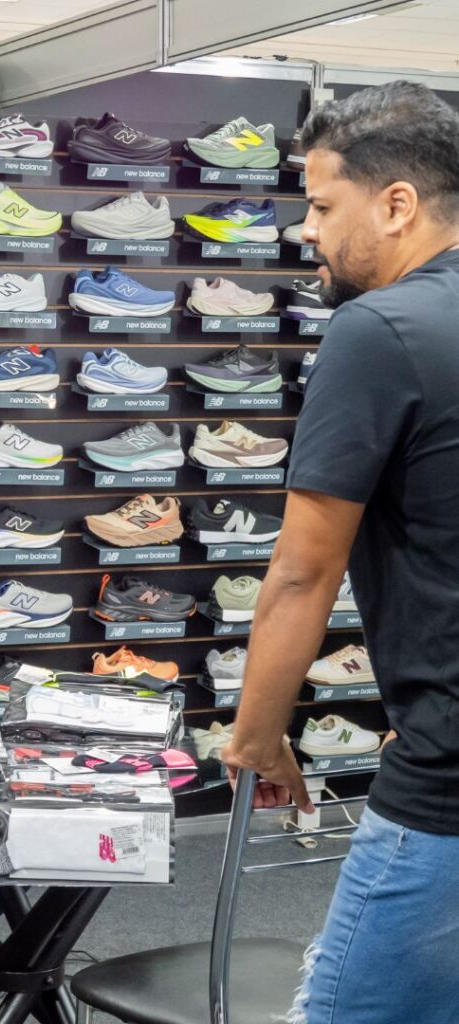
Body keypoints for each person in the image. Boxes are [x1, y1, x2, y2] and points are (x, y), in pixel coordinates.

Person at [221, 81, 459, 1024]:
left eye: (322, 206)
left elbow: (300, 572)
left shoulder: (378, 330)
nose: (306, 231)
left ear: (396, 204)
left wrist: (254, 736)